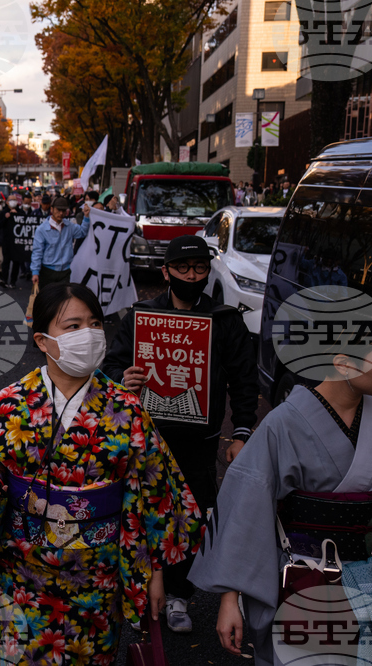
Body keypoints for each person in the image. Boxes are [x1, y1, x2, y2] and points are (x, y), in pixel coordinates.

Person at [0, 282, 203, 663]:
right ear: (42, 340)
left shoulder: (127, 409)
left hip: (97, 577)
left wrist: (155, 572)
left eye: (94, 324)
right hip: (22, 572)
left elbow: (156, 492)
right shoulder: (8, 404)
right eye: (72, 327)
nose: (87, 335)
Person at [189, 317, 372, 665]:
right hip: (304, 579)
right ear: (342, 360)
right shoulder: (283, 424)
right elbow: (246, 511)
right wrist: (229, 599)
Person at [101, 235, 258, 633]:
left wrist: (240, 433)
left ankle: (178, 596)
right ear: (166, 271)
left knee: (190, 520)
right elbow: (109, 372)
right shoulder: (140, 318)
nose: (192, 276)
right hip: (145, 440)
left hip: (200, 443)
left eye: (200, 269)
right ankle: (138, 593)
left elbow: (244, 380)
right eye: (184, 269)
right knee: (136, 513)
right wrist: (125, 378)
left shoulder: (225, 321)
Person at [30, 196, 91, 291]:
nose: (61, 213)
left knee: (63, 301)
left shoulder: (69, 226)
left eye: (63, 210)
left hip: (65, 272)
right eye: (58, 210)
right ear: (52, 209)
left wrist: (86, 217)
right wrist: (35, 272)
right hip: (47, 271)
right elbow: (37, 252)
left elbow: (82, 232)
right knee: (48, 301)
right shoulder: (42, 229)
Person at [0, 194, 28, 288]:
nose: (13, 202)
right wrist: (5, 217)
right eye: (11, 200)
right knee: (6, 262)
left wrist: (17, 215)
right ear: (7, 202)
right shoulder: (3, 212)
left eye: (15, 200)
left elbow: (25, 222)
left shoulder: (20, 211)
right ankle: (4, 279)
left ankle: (13, 281)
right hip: (7, 241)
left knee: (16, 262)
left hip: (17, 242)